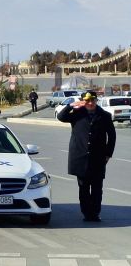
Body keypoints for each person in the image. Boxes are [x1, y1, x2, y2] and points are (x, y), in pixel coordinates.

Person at [57, 91, 115, 222]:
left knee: (97, 188)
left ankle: (95, 213)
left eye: (92, 100)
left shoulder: (105, 116)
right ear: (83, 101)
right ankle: (86, 213)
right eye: (87, 101)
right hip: (80, 157)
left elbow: (112, 136)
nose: (90, 103)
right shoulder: (76, 114)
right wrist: (72, 105)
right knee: (83, 188)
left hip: (98, 158)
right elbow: (61, 117)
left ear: (96, 101)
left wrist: (108, 154)